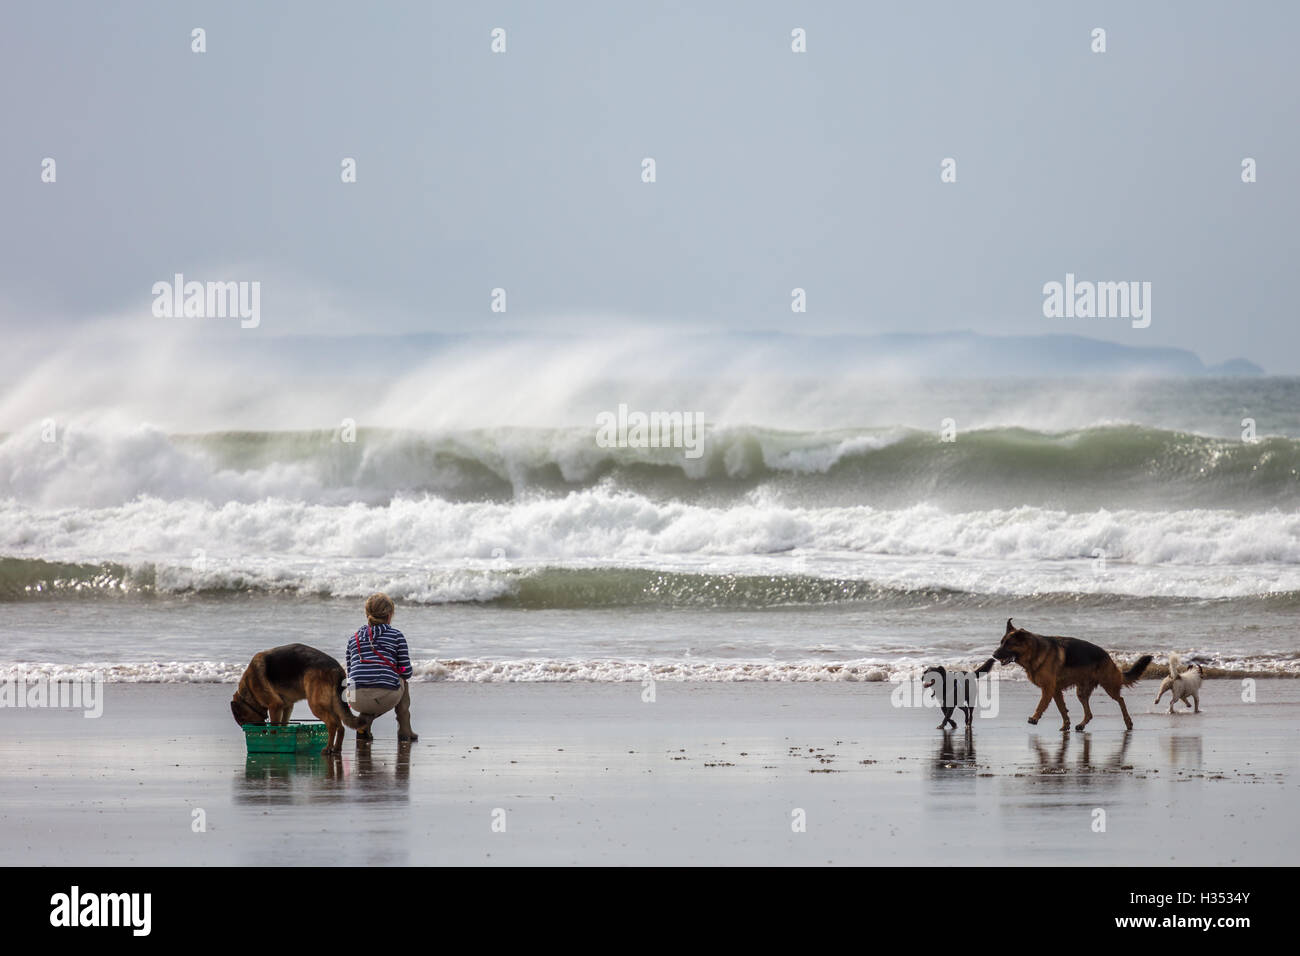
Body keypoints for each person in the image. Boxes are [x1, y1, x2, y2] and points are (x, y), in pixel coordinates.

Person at [344, 592, 418, 742]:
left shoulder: (354, 638)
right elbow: (406, 671)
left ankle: (363, 723)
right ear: (390, 615)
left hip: (353, 698)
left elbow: (350, 672)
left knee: (365, 683)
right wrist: (397, 671)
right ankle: (404, 730)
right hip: (383, 696)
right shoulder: (396, 636)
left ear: (367, 614)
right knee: (402, 681)